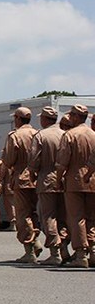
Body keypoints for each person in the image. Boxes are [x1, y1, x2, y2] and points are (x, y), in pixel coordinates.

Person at [56, 104, 95, 268]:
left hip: (74, 180)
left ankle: (80, 255)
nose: (70, 117)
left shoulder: (70, 135)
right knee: (92, 217)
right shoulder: (93, 134)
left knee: (77, 217)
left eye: (72, 115)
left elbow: (63, 161)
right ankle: (93, 251)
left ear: (77, 117)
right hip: (92, 180)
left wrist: (58, 178)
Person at [28, 106, 67, 265]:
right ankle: (64, 247)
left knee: (48, 216)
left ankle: (55, 252)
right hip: (65, 179)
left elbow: (33, 159)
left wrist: (32, 173)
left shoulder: (41, 136)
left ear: (44, 119)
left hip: (47, 178)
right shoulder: (65, 134)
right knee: (64, 216)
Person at [2, 107, 40, 263]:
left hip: (22, 177)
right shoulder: (38, 134)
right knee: (35, 213)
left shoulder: (15, 136)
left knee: (23, 214)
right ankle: (36, 240)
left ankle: (29, 249)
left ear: (18, 119)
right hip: (37, 178)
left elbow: (9, 160)